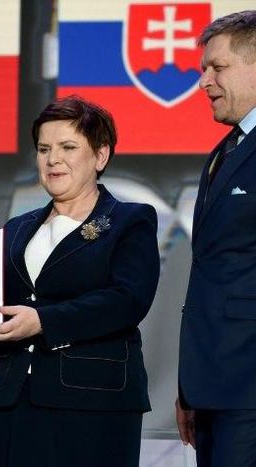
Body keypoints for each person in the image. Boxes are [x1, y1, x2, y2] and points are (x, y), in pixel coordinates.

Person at [0, 95, 160, 466]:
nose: (53, 159)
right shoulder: (17, 228)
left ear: (100, 156)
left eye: (68, 147)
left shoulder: (130, 220)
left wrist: (42, 322)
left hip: (92, 401)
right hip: (12, 398)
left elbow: (127, 300)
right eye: (43, 148)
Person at [176, 10, 256, 466]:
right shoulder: (224, 151)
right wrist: (192, 387)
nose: (204, 82)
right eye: (204, 68)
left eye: (217, 68)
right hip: (214, 387)